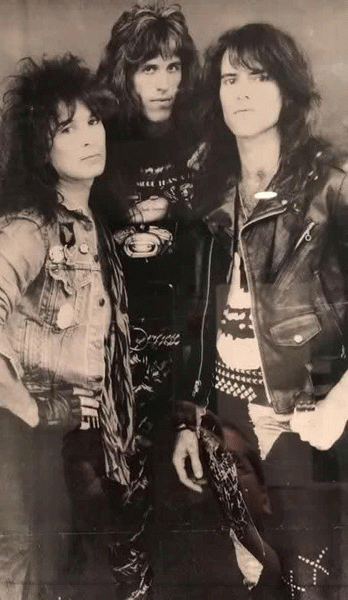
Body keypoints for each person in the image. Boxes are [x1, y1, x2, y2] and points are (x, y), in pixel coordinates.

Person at [0, 54, 145, 600]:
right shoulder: (27, 226)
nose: (88, 137)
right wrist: (31, 407)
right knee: (32, 571)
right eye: (66, 128)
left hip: (68, 426)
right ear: (40, 146)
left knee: (69, 571)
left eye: (93, 121)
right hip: (14, 423)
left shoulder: (92, 221)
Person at [173, 22, 348, 599]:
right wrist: (189, 420)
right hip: (227, 415)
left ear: (287, 89)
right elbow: (197, 319)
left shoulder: (332, 186)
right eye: (230, 79)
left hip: (302, 415)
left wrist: (338, 406)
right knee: (254, 573)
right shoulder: (212, 194)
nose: (241, 92)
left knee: (310, 581)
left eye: (258, 76)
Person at [96, 7, 201, 594]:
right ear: (125, 73)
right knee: (127, 502)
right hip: (121, 352)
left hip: (192, 344)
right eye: (148, 68)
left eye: (173, 66)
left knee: (196, 499)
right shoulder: (99, 143)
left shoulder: (204, 139)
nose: (164, 83)